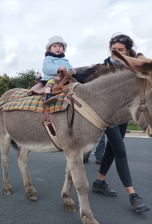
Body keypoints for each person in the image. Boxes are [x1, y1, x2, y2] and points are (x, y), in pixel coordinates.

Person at [74, 34, 150, 213]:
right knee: (121, 150)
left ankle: (99, 182)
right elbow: (79, 77)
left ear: (128, 51)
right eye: (113, 49)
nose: (116, 53)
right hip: (106, 116)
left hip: (123, 116)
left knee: (112, 149)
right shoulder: (102, 66)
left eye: (120, 50)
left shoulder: (133, 69)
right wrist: (69, 72)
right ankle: (133, 196)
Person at [28, 36, 76, 104]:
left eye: (60, 46)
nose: (58, 48)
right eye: (55, 46)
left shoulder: (65, 60)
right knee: (51, 83)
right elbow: (46, 67)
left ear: (63, 49)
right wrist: (58, 68)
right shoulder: (48, 58)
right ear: (50, 49)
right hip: (52, 77)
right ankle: (48, 96)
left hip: (64, 79)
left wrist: (72, 71)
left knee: (75, 82)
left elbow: (69, 68)